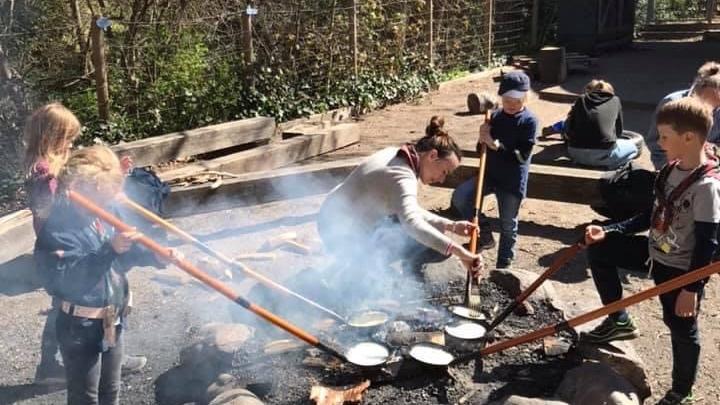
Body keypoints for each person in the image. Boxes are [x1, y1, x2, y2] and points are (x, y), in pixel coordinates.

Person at [582, 97, 720, 405]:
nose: (659, 142)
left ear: (688, 138)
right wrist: (610, 230)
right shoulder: (669, 171)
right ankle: (618, 320)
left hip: (681, 270)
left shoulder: (707, 188)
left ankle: (681, 391)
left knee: (681, 328)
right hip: (654, 252)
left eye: (665, 137)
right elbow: (650, 215)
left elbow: (709, 244)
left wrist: (691, 288)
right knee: (602, 251)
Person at [22, 103, 145, 385]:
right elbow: (57, 208)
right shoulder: (43, 172)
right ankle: (53, 364)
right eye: (67, 136)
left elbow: (90, 181)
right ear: (51, 136)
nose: (73, 143)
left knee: (93, 291)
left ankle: (107, 350)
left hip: (84, 234)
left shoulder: (60, 161)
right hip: (66, 243)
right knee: (68, 301)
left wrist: (113, 176)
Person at [34, 145, 167, 405]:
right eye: (104, 197)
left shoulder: (104, 216)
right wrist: (108, 250)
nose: (109, 203)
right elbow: (64, 280)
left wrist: (155, 257)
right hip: (79, 327)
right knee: (86, 397)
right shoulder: (59, 229)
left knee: (111, 391)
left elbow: (123, 258)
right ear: (83, 188)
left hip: (112, 319)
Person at [317, 116, 483, 284]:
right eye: (444, 172)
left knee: (430, 230)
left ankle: (347, 269)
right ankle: (356, 271)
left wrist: (451, 225)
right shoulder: (402, 176)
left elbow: (406, 209)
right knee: (427, 241)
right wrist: (461, 253)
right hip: (339, 234)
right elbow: (412, 222)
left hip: (335, 219)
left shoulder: (396, 154)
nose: (441, 180)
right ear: (432, 155)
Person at [451, 71, 539, 268]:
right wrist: (482, 138)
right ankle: (485, 237)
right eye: (507, 98)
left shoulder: (529, 121)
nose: (511, 103)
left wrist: (495, 145)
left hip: (512, 180)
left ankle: (504, 265)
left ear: (525, 97)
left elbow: (522, 156)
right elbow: (481, 149)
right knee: (461, 196)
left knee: (508, 224)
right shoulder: (495, 117)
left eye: (516, 99)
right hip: (489, 175)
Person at [542, 80, 640, 169]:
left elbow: (569, 128)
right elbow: (619, 132)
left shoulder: (581, 99)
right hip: (604, 154)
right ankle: (612, 166)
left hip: (576, 153)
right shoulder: (615, 100)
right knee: (633, 147)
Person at [646, 61, 720, 170]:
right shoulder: (672, 104)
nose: (710, 111)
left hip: (709, 162)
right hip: (673, 164)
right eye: (708, 105)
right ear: (698, 89)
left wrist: (712, 150)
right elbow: (655, 145)